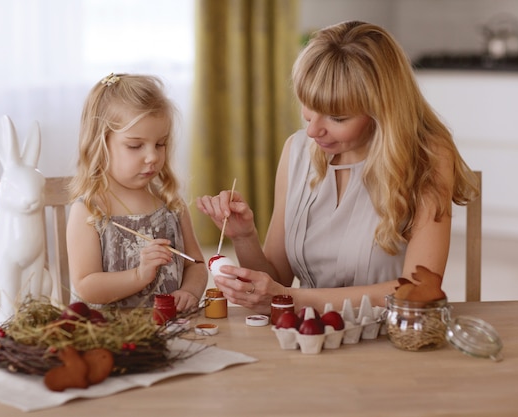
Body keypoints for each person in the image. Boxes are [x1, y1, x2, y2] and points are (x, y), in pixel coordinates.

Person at [196, 21, 480, 315]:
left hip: (386, 338)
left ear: (382, 111)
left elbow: (418, 290)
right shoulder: (296, 151)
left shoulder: (429, 157)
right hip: (308, 335)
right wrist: (244, 237)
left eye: (337, 118)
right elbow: (277, 281)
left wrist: (290, 297)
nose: (313, 131)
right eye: (308, 109)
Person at [67, 73, 207, 312]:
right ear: (101, 145)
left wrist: (189, 291)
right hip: (115, 335)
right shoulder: (90, 210)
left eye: (160, 144)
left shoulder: (171, 204)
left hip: (174, 327)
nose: (152, 156)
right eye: (135, 146)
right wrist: (139, 275)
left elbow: (196, 264)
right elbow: (86, 285)